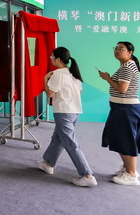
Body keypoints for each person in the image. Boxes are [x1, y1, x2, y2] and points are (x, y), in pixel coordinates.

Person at [36, 47, 97, 187]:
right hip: (74, 112)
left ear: (58, 59)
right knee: (58, 138)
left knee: (71, 143)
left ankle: (87, 175)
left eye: (52, 57)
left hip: (63, 112)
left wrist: (45, 79)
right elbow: (79, 93)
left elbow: (50, 94)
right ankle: (48, 163)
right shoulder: (74, 74)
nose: (51, 59)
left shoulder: (57, 74)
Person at [97, 41, 140, 186]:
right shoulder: (127, 65)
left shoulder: (127, 67)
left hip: (125, 109)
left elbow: (122, 89)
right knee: (122, 139)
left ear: (130, 52)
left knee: (125, 140)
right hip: (123, 108)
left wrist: (107, 78)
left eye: (121, 49)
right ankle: (128, 169)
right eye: (116, 48)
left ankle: (131, 175)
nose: (117, 51)